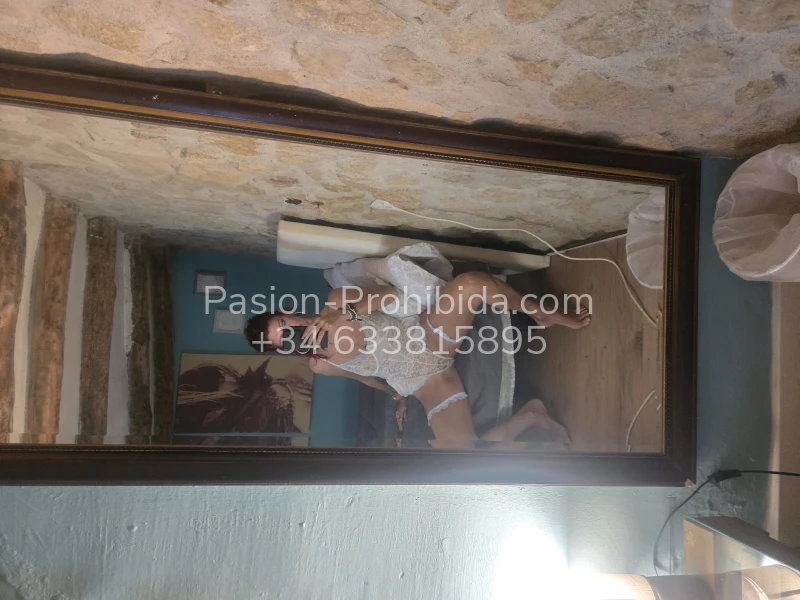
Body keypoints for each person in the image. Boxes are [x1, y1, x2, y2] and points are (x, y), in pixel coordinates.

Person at [245, 271, 589, 448]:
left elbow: (388, 294)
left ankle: (540, 313)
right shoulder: (320, 364)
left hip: (426, 338)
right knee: (463, 459)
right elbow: (365, 378)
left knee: (470, 284)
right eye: (282, 342)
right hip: (427, 385)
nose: (290, 334)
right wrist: (398, 397)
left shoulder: (336, 300)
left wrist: (341, 313)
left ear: (287, 312)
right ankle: (531, 415)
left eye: (283, 325)